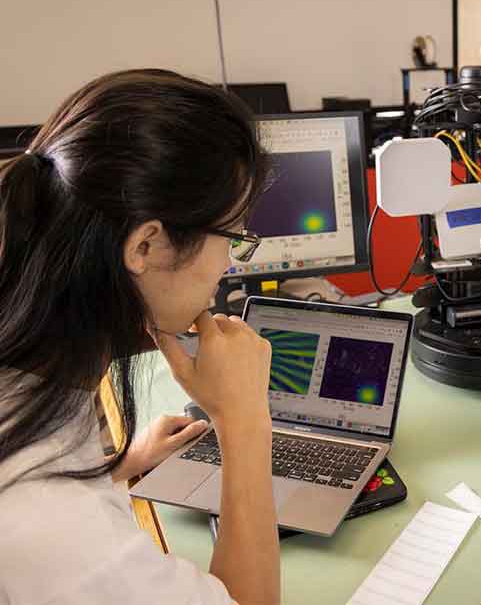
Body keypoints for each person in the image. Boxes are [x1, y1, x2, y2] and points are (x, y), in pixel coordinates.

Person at [0, 69, 280, 603]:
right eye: (234, 236)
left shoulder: (37, 360)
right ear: (145, 246)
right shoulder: (51, 526)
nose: (229, 263)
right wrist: (243, 420)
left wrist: (117, 468)